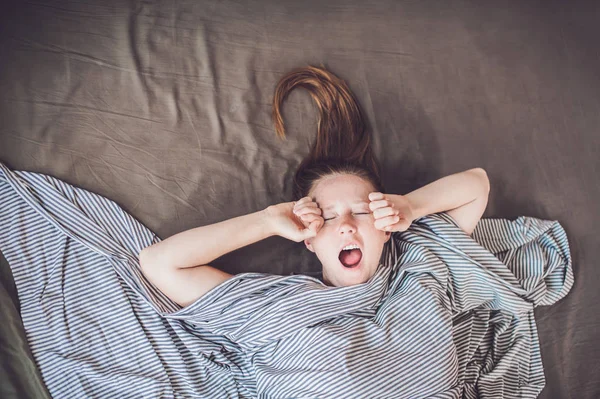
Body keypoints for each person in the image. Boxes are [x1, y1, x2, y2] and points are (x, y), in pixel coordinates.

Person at [139, 65, 490, 307]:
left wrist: (411, 207)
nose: (348, 226)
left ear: (386, 228)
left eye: (363, 212)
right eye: (329, 217)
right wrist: (265, 221)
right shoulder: (277, 303)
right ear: (308, 238)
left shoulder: (417, 266)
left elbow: (477, 183)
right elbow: (159, 264)